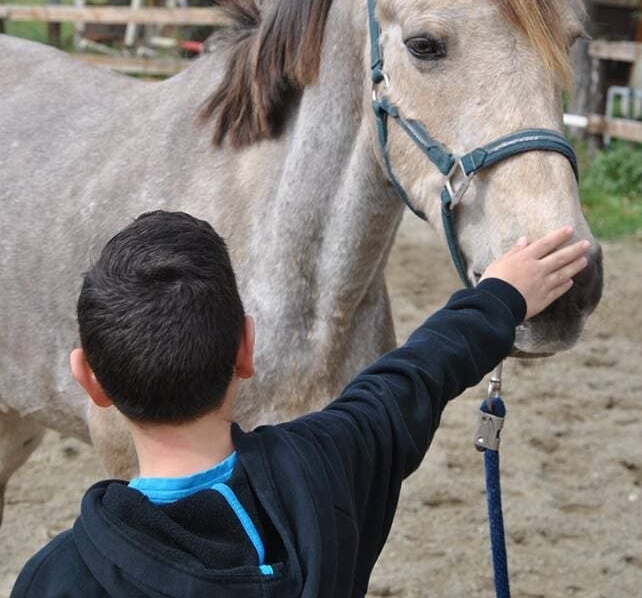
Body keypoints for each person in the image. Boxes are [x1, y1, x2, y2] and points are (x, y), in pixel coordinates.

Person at [11, 210, 590, 598]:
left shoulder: (57, 578)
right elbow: (419, 373)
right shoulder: (326, 468)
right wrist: (502, 294)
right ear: (245, 348)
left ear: (90, 380)